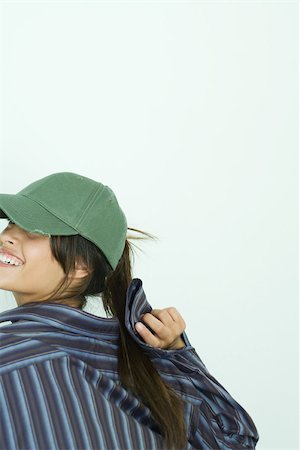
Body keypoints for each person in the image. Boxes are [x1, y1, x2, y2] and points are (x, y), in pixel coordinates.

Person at [0, 171, 259, 450]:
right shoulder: (133, 358)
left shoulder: (12, 355)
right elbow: (234, 439)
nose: (9, 236)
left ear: (80, 266)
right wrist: (175, 354)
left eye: (35, 230)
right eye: (12, 222)